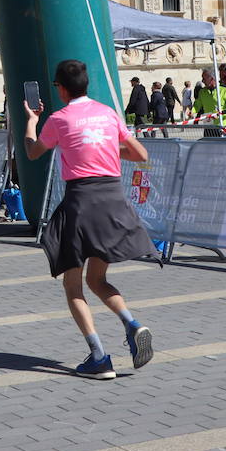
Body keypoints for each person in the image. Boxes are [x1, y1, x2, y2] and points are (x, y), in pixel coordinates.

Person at [23, 59, 158, 379]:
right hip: (113, 201)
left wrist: (31, 121)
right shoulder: (108, 113)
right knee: (97, 279)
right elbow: (140, 154)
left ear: (62, 88)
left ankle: (99, 356)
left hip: (81, 203)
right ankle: (132, 323)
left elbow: (32, 152)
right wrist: (111, 151)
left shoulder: (59, 118)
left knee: (74, 286)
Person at [192, 68, 226, 137]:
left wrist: (220, 114)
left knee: (221, 147)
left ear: (212, 79)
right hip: (208, 125)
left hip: (221, 125)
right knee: (208, 147)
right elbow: (197, 105)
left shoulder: (224, 90)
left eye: (204, 78)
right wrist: (192, 111)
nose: (202, 81)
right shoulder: (202, 92)